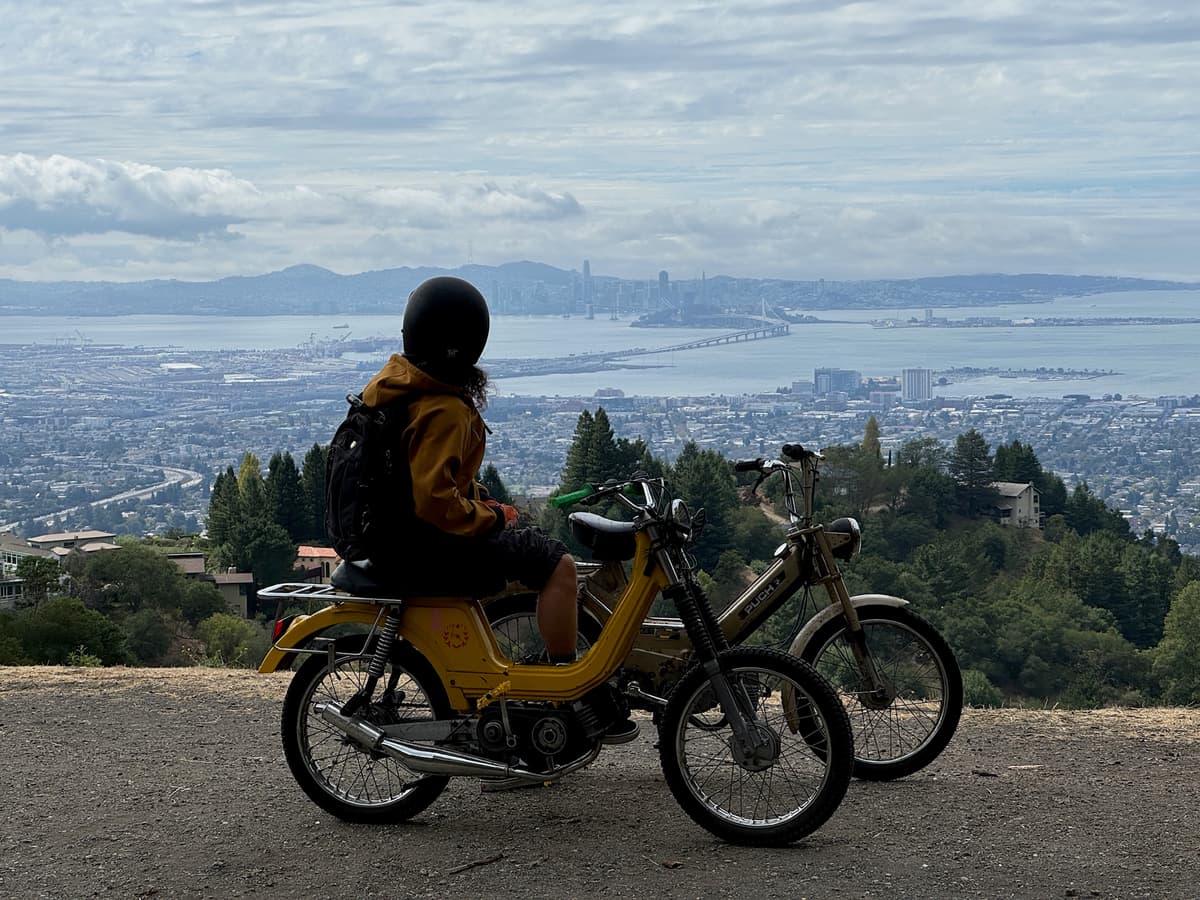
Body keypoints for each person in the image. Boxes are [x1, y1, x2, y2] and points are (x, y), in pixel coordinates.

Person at [356, 275, 637, 744]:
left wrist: (479, 500)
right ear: (466, 344)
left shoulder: (398, 387)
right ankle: (570, 689)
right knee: (558, 567)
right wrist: (492, 516)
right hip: (428, 544)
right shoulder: (443, 408)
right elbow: (434, 500)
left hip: (399, 538)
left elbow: (425, 481)